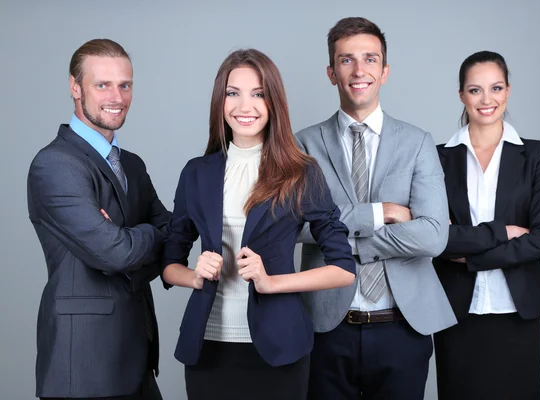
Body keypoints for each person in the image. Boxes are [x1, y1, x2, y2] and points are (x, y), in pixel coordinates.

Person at [161, 48, 355, 400]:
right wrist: (193, 275)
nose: (244, 106)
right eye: (233, 93)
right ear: (221, 101)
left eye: (258, 94)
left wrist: (271, 282)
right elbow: (168, 265)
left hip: (278, 347)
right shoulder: (196, 172)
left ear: (273, 102)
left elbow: (343, 269)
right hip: (208, 346)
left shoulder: (301, 173)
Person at [295, 17, 456, 400]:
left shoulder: (418, 142)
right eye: (347, 60)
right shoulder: (301, 145)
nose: (359, 70)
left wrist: (347, 242)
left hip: (403, 327)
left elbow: (433, 235)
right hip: (326, 328)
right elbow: (293, 225)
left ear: (384, 72)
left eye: (370, 59)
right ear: (332, 72)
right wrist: (381, 212)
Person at [27, 39, 170, 399]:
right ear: (75, 88)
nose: (117, 97)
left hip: (137, 357)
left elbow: (174, 231)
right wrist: (138, 239)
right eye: (102, 84)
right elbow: (115, 254)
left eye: (125, 85)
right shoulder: (55, 165)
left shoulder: (132, 165)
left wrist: (124, 237)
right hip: (85, 366)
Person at [433, 50, 540, 399]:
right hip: (457, 312)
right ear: (461, 95)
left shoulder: (535, 155)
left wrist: (471, 257)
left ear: (508, 91)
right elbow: (437, 239)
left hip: (519, 311)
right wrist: (503, 233)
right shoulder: (437, 158)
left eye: (496, 88)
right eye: (475, 90)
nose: (486, 99)